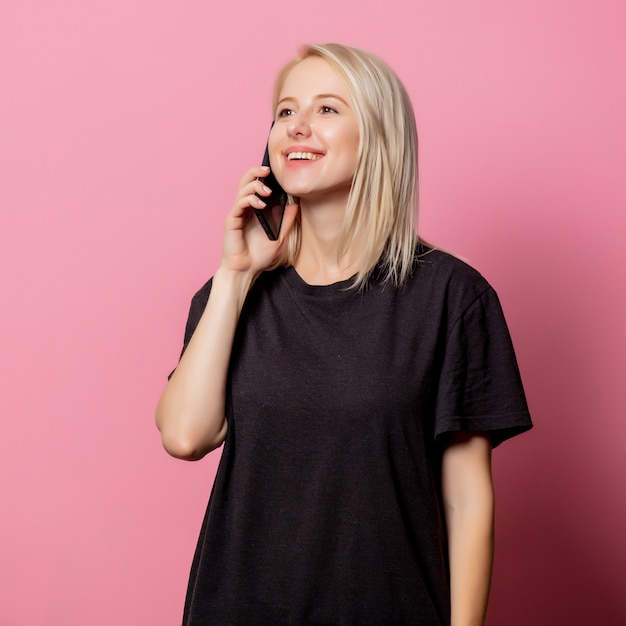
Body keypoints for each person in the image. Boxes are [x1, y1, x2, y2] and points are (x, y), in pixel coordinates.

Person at [156, 43, 532, 626]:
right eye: (285, 111)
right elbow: (184, 437)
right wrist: (234, 276)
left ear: (379, 137)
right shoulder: (229, 295)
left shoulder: (452, 297)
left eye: (328, 109)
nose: (297, 127)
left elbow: (467, 500)